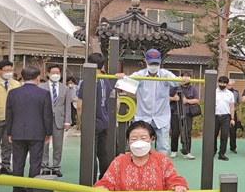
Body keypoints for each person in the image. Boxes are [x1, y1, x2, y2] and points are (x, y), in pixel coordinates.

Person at [115, 49, 178, 154]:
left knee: (162, 148)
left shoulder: (165, 75)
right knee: (141, 148)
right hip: (144, 117)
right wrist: (122, 77)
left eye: (156, 63)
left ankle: (161, 170)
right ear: (146, 61)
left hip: (162, 117)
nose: (154, 66)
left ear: (160, 62)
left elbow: (177, 82)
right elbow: (124, 84)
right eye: (151, 63)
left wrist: (184, 79)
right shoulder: (140, 75)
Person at [5, 67, 53, 192]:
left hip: (17, 132)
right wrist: (48, 133)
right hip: (37, 133)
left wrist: (10, 132)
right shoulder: (43, 93)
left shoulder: (13, 93)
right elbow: (47, 116)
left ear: (22, 77)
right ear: (37, 77)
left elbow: (9, 114)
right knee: (35, 163)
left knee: (18, 163)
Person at [78, 53, 115, 181]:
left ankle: (90, 182)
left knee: (90, 154)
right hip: (104, 121)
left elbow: (80, 105)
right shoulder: (106, 80)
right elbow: (116, 102)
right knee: (103, 153)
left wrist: (81, 121)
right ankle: (104, 180)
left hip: (91, 122)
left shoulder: (88, 80)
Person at [40, 63, 72, 177]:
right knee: (44, 144)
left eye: (57, 73)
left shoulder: (65, 88)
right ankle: (45, 166)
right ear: (48, 74)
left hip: (60, 119)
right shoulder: (41, 87)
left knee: (58, 145)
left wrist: (67, 121)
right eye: (53, 73)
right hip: (44, 120)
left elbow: (67, 105)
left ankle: (56, 167)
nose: (55, 75)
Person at [169, 70, 199, 160]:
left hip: (187, 113)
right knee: (175, 132)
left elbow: (197, 100)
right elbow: (166, 97)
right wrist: (174, 98)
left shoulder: (192, 88)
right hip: (175, 112)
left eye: (188, 76)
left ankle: (187, 151)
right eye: (184, 76)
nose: (186, 78)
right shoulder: (174, 87)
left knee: (187, 132)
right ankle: (174, 150)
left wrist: (187, 101)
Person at [0, 60, 21, 175]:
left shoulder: (16, 84)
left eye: (10, 70)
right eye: (6, 70)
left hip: (12, 119)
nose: (9, 72)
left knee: (8, 144)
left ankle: (5, 165)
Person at [214, 75, 235, 161]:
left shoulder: (230, 94)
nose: (222, 84)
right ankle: (213, 151)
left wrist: (232, 118)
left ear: (227, 84)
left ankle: (222, 153)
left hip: (226, 117)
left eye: (224, 83)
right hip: (215, 116)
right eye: (220, 82)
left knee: (224, 136)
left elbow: (232, 106)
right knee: (213, 135)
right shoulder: (214, 92)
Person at [227, 79, 242, 154]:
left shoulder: (236, 92)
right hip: (225, 113)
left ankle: (233, 148)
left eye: (230, 85)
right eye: (228, 85)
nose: (229, 86)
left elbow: (239, 104)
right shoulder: (222, 92)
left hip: (234, 113)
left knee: (233, 132)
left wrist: (239, 115)